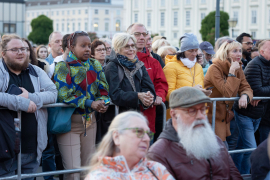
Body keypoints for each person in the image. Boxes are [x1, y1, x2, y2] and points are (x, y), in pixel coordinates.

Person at [147, 87, 243, 180]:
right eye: (192, 111)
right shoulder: (159, 154)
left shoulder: (216, 140)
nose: (200, 116)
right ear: (174, 114)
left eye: (203, 109)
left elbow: (234, 174)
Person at [54, 31, 110, 180]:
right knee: (73, 172)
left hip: (90, 122)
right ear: (71, 47)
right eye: (83, 46)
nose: (87, 49)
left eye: (89, 46)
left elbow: (104, 90)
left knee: (88, 169)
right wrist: (91, 103)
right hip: (69, 123)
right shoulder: (62, 66)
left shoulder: (95, 64)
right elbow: (64, 95)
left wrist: (104, 103)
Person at [0, 34, 57, 179]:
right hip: (4, 149)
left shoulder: (36, 71)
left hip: (31, 148)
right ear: (3, 53)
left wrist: (30, 97)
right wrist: (22, 103)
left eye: (23, 49)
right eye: (14, 49)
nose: (20, 52)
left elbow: (53, 93)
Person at [96, 33, 155, 143]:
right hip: (115, 120)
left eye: (133, 46)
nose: (131, 49)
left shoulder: (139, 65)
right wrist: (138, 96)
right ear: (118, 48)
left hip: (134, 117)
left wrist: (148, 97)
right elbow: (115, 94)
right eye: (127, 46)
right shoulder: (112, 66)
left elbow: (149, 88)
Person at [85, 111, 175, 180]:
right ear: (116, 137)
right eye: (138, 132)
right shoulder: (99, 177)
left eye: (148, 133)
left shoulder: (157, 169)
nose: (147, 139)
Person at [204, 40, 253, 148]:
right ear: (225, 53)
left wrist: (245, 95)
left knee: (229, 148)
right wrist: (232, 72)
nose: (239, 54)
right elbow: (227, 93)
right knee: (220, 151)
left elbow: (246, 87)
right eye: (234, 51)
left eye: (240, 51)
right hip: (211, 117)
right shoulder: (214, 68)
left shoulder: (237, 66)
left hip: (225, 117)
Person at [232, 40, 270, 174]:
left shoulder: (267, 64)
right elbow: (257, 90)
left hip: (258, 113)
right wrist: (260, 94)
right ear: (262, 52)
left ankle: (238, 172)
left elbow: (261, 92)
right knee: (251, 147)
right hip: (245, 112)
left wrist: (262, 96)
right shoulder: (255, 65)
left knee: (242, 145)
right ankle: (244, 173)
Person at [127, 23, 168, 137]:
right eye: (137, 34)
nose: (141, 37)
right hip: (126, 117)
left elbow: (161, 83)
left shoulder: (153, 62)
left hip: (148, 118)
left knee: (145, 151)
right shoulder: (120, 61)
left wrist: (159, 95)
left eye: (144, 34)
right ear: (128, 36)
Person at [163, 33, 211, 120]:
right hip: (179, 116)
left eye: (196, 50)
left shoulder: (198, 67)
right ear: (183, 51)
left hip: (198, 115)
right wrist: (192, 91)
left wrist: (204, 93)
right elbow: (168, 95)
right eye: (190, 51)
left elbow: (200, 89)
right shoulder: (171, 67)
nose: (194, 54)